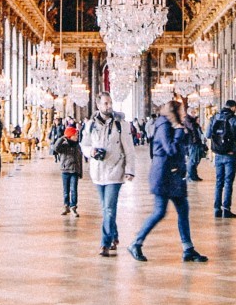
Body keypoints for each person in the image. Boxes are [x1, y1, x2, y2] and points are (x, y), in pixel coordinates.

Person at [129, 100, 207, 264]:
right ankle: (136, 243)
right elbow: (170, 149)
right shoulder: (164, 125)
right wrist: (179, 131)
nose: (185, 112)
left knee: (183, 210)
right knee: (159, 212)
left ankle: (188, 249)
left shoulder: (173, 125)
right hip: (164, 175)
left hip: (174, 174)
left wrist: (182, 131)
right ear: (175, 112)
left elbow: (182, 145)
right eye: (182, 110)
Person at [83, 92, 135, 257]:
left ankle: (105, 244)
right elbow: (84, 144)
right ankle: (114, 236)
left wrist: (130, 170)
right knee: (105, 208)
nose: (109, 106)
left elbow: (129, 149)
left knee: (109, 208)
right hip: (98, 172)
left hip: (115, 170)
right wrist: (90, 151)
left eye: (110, 103)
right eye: (105, 103)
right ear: (98, 105)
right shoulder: (90, 124)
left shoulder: (121, 125)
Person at [205, 99, 236, 218]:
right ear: (233, 107)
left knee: (219, 182)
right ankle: (226, 209)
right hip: (230, 154)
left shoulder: (214, 117)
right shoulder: (234, 119)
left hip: (218, 154)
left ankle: (217, 209)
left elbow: (207, 135)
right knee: (228, 182)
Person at [51, 125, 84, 216]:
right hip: (65, 170)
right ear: (70, 135)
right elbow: (55, 148)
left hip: (74, 171)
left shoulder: (78, 146)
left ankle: (73, 207)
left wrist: (80, 172)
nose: (77, 136)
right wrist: (62, 138)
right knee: (66, 191)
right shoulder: (64, 146)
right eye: (75, 134)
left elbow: (79, 160)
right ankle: (66, 206)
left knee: (74, 190)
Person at [182, 100, 206, 181]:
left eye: (194, 112)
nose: (194, 113)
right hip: (192, 142)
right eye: (192, 112)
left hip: (196, 141)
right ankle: (189, 176)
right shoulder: (187, 119)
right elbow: (192, 128)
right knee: (192, 160)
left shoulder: (193, 120)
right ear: (189, 113)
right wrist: (196, 122)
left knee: (197, 159)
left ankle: (194, 175)